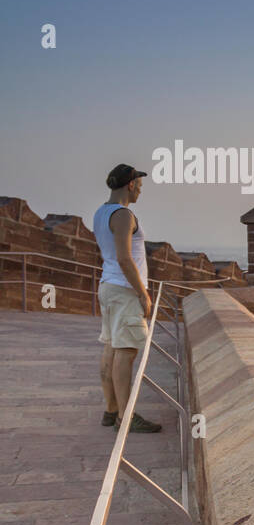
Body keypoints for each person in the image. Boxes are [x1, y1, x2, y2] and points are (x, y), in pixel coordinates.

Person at [94, 164, 162, 433]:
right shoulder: (123, 215)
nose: (140, 192)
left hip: (109, 286)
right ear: (131, 185)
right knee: (126, 352)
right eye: (140, 187)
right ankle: (125, 416)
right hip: (124, 290)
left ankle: (111, 410)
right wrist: (142, 293)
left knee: (111, 348)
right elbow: (124, 258)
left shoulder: (101, 212)